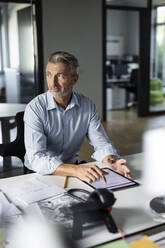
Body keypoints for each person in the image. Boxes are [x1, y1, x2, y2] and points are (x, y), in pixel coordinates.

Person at [24, 51, 131, 183]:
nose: (53, 83)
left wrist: (110, 160)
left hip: (73, 170)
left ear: (74, 79)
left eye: (60, 76)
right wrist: (75, 170)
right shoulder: (34, 108)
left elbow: (101, 143)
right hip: (39, 173)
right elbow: (36, 159)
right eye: (49, 75)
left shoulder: (87, 105)